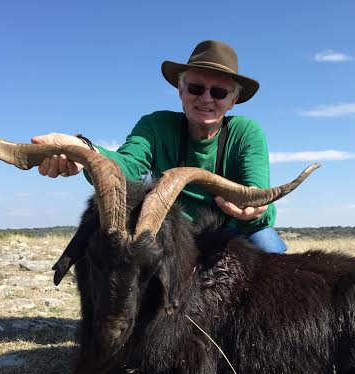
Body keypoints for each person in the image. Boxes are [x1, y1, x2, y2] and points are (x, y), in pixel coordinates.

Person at [32, 40, 287, 253]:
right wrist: (84, 151)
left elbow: (258, 192)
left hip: (231, 232)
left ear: (233, 100)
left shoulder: (247, 132)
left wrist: (254, 209)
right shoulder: (156, 125)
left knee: (270, 250)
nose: (206, 98)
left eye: (219, 92)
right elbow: (128, 166)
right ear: (181, 91)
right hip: (172, 232)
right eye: (196, 88)